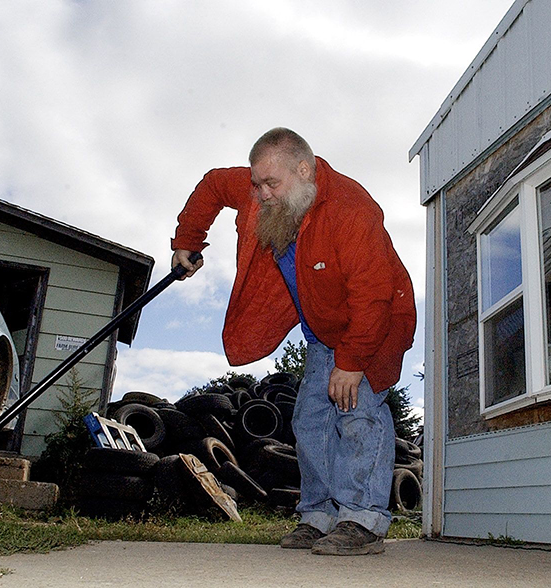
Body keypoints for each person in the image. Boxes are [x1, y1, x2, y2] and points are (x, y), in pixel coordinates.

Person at [172, 128, 415, 555]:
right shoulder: (265, 186)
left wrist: (353, 361)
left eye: (271, 184)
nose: (262, 194)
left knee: (357, 414)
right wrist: (187, 242)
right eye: (256, 184)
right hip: (323, 328)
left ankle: (364, 521)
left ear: (304, 170)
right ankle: (319, 516)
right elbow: (212, 184)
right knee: (309, 420)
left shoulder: (352, 210)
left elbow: (373, 294)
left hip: (375, 322)